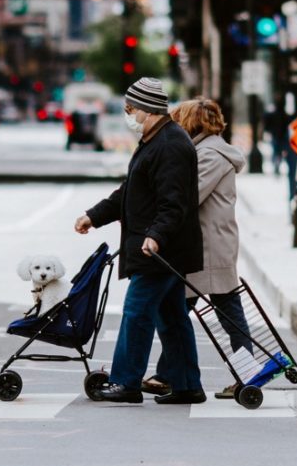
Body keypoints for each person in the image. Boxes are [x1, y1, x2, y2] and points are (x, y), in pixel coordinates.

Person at [74, 77, 206, 405]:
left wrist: (156, 237)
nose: (128, 115)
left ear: (148, 109)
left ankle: (126, 382)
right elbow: (131, 192)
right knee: (172, 317)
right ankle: (187, 384)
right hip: (161, 248)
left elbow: (173, 203)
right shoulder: (155, 140)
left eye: (130, 109)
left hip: (160, 251)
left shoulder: (170, 144)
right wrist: (95, 215)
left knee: (136, 312)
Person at [142, 98, 250, 400]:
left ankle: (245, 374)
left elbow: (188, 197)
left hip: (210, 247)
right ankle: (168, 374)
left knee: (217, 311)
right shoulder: (204, 151)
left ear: (191, 123)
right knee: (189, 309)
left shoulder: (209, 154)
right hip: (208, 243)